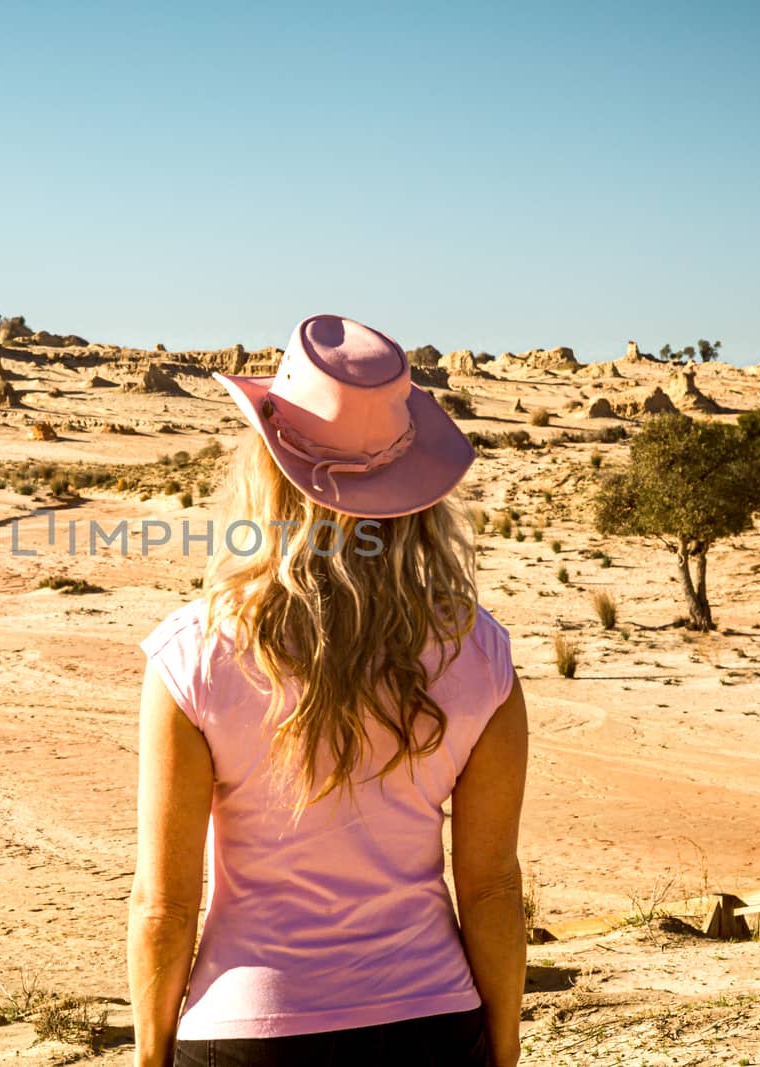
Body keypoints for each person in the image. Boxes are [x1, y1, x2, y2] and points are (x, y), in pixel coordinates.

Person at [127, 314, 528, 1067]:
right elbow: (492, 890)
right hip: (432, 1023)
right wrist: (501, 1049)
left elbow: (165, 905)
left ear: (268, 470)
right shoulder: (483, 654)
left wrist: (151, 1057)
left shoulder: (195, 654)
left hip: (247, 1034)